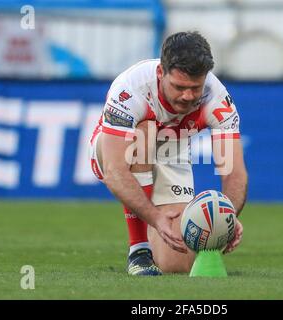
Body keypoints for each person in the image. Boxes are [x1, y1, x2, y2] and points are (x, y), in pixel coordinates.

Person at [89, 31, 247, 275]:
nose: (188, 96)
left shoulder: (217, 98)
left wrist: (227, 217)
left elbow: (234, 173)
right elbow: (114, 170)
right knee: (146, 131)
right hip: (119, 149)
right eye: (179, 87)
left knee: (178, 263)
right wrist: (155, 217)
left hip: (173, 151)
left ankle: (156, 248)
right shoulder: (131, 88)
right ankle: (139, 251)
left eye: (195, 88)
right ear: (161, 73)